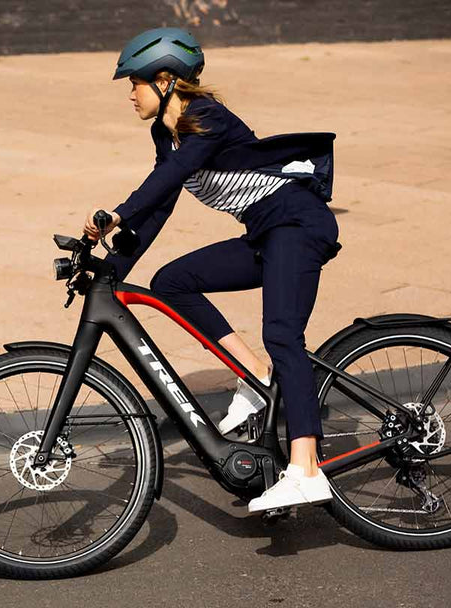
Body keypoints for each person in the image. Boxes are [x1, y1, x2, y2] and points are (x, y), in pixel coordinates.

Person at [83, 27, 342, 512]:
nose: (130, 95)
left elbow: (171, 177)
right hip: (266, 233)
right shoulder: (167, 133)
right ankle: (258, 376)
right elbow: (161, 203)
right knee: (172, 282)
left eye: (133, 84)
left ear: (164, 81)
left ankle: (306, 469)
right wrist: (112, 266)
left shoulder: (206, 117)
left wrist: (118, 212)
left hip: (297, 224)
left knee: (283, 334)